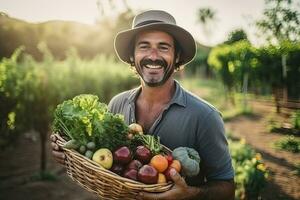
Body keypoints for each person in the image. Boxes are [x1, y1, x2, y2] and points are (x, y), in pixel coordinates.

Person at [50, 10, 235, 200]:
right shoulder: (117, 104)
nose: (153, 56)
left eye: (163, 47)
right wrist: (68, 151)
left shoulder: (204, 117)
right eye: (144, 46)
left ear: (177, 56)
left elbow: (227, 188)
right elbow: (102, 161)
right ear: (132, 56)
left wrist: (190, 194)